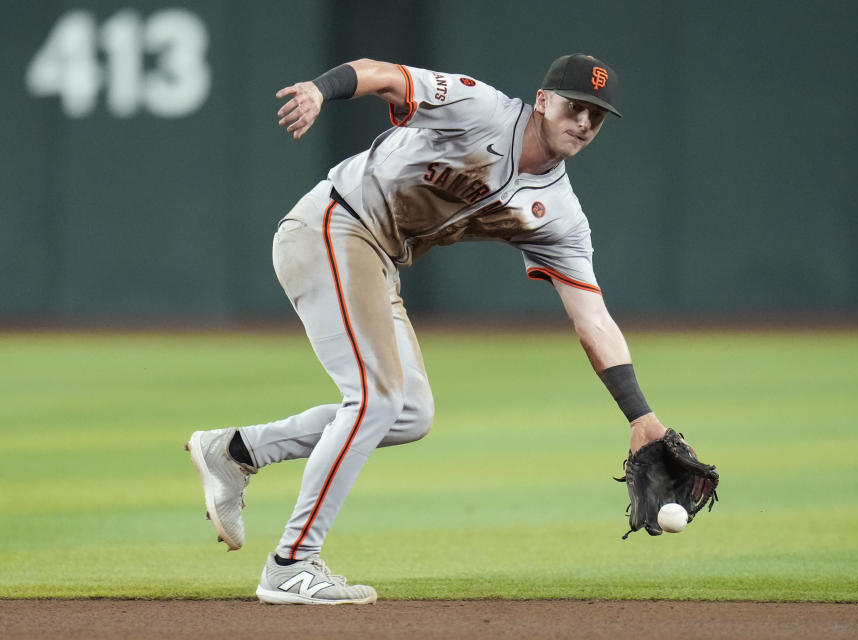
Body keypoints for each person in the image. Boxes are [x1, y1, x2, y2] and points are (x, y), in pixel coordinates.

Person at [187, 54, 668, 605]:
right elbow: (382, 74)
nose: (583, 121)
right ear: (542, 100)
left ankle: (238, 451)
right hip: (333, 224)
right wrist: (323, 91)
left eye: (596, 116)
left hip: (377, 260)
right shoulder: (480, 108)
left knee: (408, 412)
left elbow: (594, 320)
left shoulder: (557, 213)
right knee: (375, 400)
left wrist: (642, 417)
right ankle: (293, 564)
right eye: (574, 106)